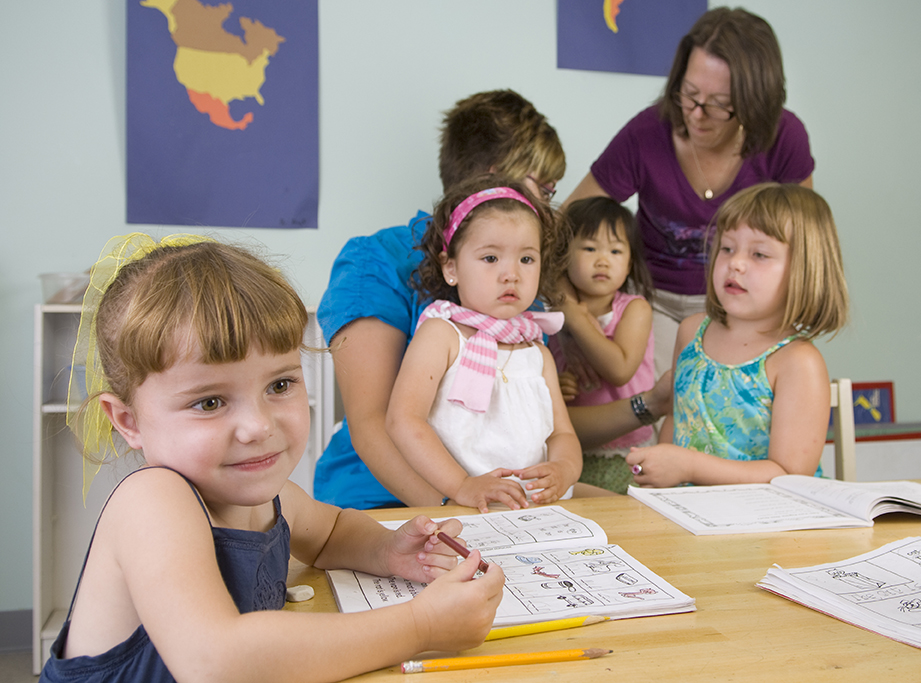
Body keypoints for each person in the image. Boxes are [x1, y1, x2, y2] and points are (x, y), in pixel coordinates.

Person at [41, 235, 503, 683]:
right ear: (128, 421)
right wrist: (420, 626)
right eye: (209, 402)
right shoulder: (152, 502)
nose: (259, 426)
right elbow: (217, 663)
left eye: (279, 385)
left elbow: (331, 534)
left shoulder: (267, 496)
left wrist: (388, 550)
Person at [316, 89, 671, 510]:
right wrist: (454, 508)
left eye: (526, 258)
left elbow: (544, 424)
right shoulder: (376, 262)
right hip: (390, 492)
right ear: (495, 180)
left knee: (635, 516)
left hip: (510, 496)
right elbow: (376, 424)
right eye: (545, 188)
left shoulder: (520, 298)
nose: (551, 207)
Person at [563, 7, 815, 381]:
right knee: (655, 401)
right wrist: (569, 318)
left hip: (741, 304)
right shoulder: (647, 132)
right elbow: (564, 224)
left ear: (754, 102)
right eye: (689, 94)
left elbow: (807, 249)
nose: (696, 115)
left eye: (718, 104)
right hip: (649, 303)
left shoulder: (785, 137)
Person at [625, 183, 848, 487]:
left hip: (767, 525)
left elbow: (790, 474)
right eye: (727, 248)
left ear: (803, 271)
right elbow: (678, 421)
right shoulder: (691, 332)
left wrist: (689, 467)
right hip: (687, 516)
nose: (735, 263)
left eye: (759, 254)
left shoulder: (797, 362)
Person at [385, 177, 580, 514]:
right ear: (451, 268)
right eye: (491, 258)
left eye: (527, 259)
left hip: (537, 514)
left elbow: (562, 434)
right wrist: (460, 485)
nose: (511, 274)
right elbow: (403, 421)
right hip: (467, 510)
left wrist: (564, 468)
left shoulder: (537, 353)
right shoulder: (442, 335)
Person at [548, 197, 656, 494]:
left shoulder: (634, 309)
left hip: (627, 453)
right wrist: (558, 384)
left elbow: (620, 369)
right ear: (564, 257)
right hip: (572, 452)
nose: (603, 260)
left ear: (630, 262)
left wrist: (574, 315)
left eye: (616, 250)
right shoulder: (548, 316)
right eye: (590, 248)